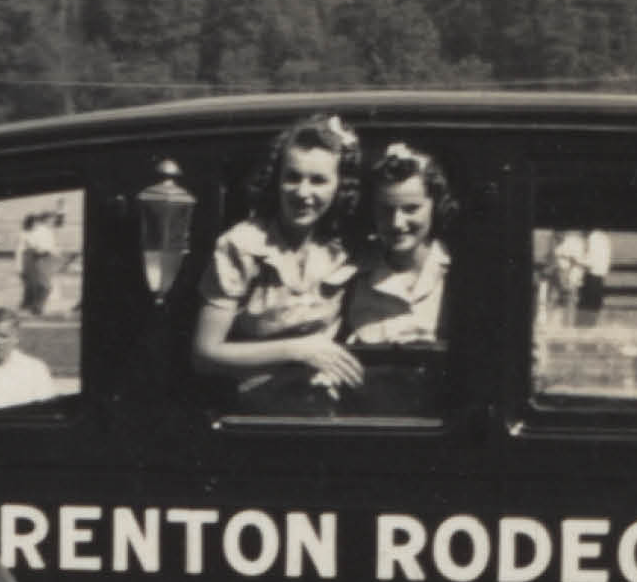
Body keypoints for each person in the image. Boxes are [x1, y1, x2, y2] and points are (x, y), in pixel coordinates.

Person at [193, 113, 363, 412]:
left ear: (339, 186)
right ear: (277, 179)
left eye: (319, 180)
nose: (303, 193)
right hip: (257, 414)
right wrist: (298, 351)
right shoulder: (242, 245)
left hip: (324, 409)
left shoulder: (346, 248)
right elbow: (205, 353)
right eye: (293, 177)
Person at [342, 142, 454, 349]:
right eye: (386, 210)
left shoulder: (458, 271)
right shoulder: (352, 278)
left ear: (435, 205)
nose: (397, 223)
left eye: (411, 209)